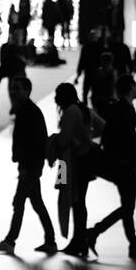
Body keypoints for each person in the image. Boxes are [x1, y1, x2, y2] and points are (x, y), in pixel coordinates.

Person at [87, 74, 136, 259]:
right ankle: (95, 232)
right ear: (129, 89)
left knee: (127, 206)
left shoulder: (118, 108)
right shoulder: (125, 110)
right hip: (124, 164)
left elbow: (111, 134)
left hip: (116, 162)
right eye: (135, 86)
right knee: (128, 207)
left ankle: (131, 244)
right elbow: (130, 140)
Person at [0, 76, 57, 256]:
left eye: (18, 88)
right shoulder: (26, 110)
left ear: (27, 90)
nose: (14, 91)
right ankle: (50, 241)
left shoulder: (29, 112)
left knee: (19, 201)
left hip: (30, 166)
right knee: (36, 202)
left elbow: (33, 142)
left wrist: (26, 167)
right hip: (30, 165)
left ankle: (10, 241)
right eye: (13, 88)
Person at [48, 82, 104, 259]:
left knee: (74, 199)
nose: (55, 98)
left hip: (72, 162)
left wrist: (53, 141)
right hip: (85, 161)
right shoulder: (84, 110)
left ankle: (78, 240)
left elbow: (64, 141)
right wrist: (87, 138)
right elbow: (103, 126)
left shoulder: (70, 112)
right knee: (80, 200)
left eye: (58, 94)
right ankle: (79, 239)